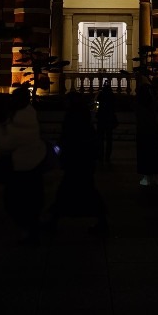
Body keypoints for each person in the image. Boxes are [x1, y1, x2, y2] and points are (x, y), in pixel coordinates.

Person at [0, 84, 47, 246]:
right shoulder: (29, 114)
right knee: (32, 199)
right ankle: (32, 227)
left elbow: (6, 143)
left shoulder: (19, 121)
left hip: (21, 166)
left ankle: (28, 230)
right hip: (35, 163)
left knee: (16, 201)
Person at [48, 90, 108, 235]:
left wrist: (60, 150)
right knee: (82, 190)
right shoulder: (83, 116)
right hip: (82, 160)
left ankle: (53, 220)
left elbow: (68, 138)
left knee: (72, 190)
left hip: (76, 160)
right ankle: (53, 220)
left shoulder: (73, 117)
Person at [135, 79, 158, 186]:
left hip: (142, 132)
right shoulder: (152, 104)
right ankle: (157, 177)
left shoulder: (138, 105)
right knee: (155, 154)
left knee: (144, 155)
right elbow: (157, 100)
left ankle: (146, 178)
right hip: (153, 132)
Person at [95, 79, 118, 163]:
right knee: (109, 139)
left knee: (100, 138)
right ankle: (107, 156)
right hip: (109, 118)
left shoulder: (101, 95)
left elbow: (96, 102)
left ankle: (100, 155)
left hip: (101, 119)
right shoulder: (111, 96)